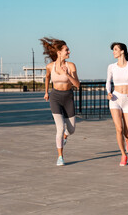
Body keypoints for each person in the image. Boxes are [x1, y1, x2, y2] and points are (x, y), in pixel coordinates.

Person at [40, 37, 80, 166]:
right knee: (60, 128)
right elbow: (47, 78)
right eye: (66, 50)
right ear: (59, 52)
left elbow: (77, 85)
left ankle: (65, 136)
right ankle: (60, 157)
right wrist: (46, 92)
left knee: (71, 129)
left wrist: (68, 74)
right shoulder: (50, 66)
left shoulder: (71, 65)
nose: (69, 52)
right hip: (55, 97)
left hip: (68, 97)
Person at [106, 42, 128, 166]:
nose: (113, 52)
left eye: (115, 49)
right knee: (118, 129)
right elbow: (108, 82)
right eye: (113, 50)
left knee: (127, 131)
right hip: (115, 99)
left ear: (122, 51)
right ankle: (123, 155)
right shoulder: (111, 67)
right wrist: (108, 92)